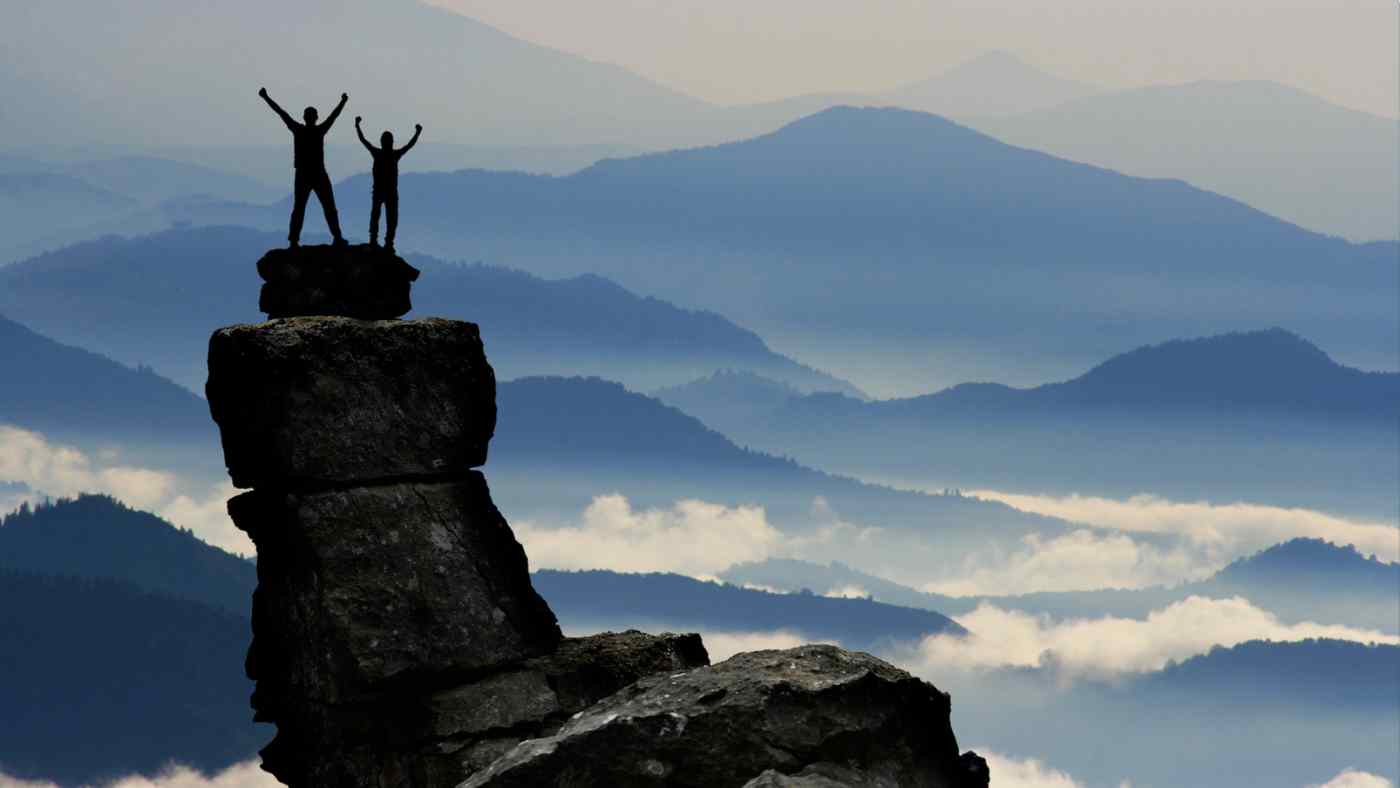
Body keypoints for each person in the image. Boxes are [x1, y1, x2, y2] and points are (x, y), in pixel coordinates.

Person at [259, 87, 349, 247]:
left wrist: (266, 97)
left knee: (301, 208)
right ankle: (336, 237)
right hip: (317, 174)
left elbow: (281, 112)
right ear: (315, 117)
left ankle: (295, 239)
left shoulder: (299, 130)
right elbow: (334, 116)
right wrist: (343, 102)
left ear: (305, 117)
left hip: (304, 175)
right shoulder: (318, 130)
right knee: (327, 207)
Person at [355, 116, 421, 251]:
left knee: (379, 216)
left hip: (381, 191)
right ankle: (386, 242)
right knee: (390, 218)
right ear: (390, 142)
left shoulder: (379, 153)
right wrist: (417, 133)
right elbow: (409, 145)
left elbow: (363, 140)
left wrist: (358, 126)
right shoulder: (393, 154)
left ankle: (377, 240)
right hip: (389, 192)